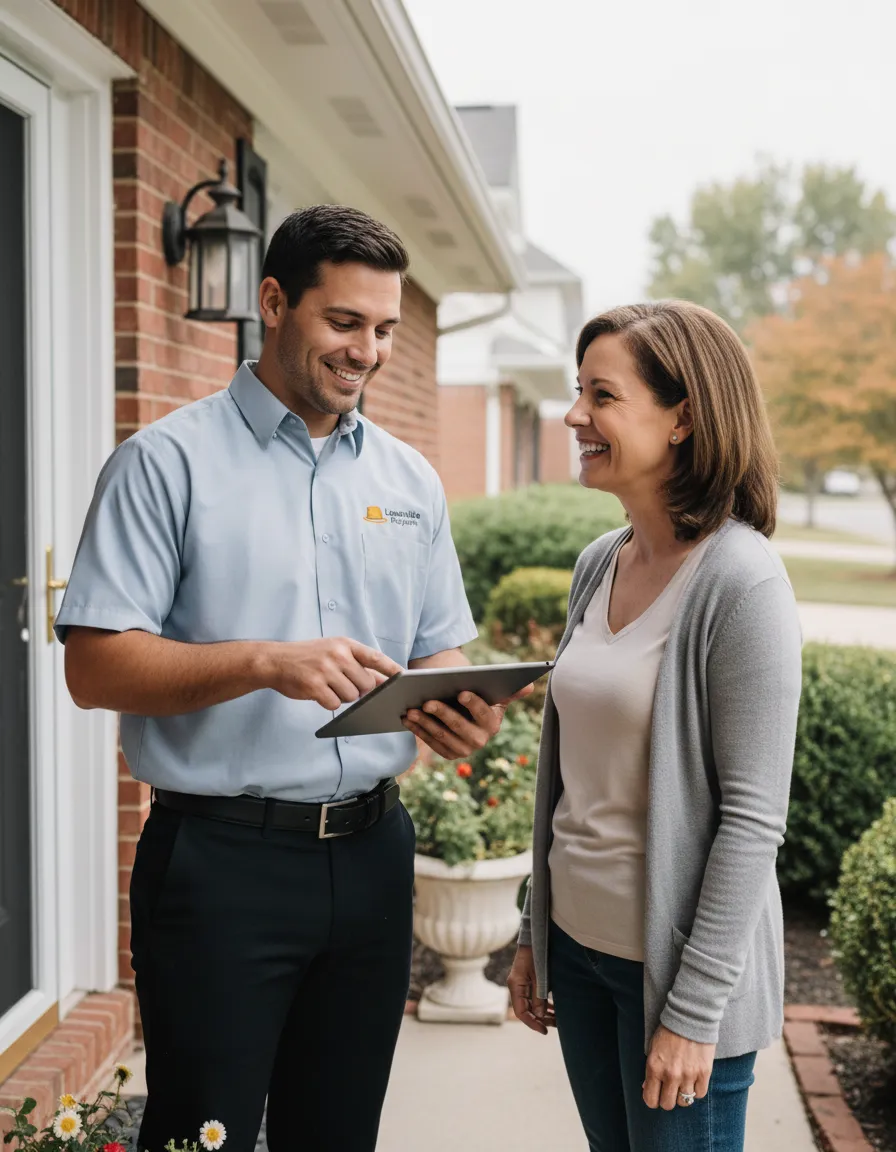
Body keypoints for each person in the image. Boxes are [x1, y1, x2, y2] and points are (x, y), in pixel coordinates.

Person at [57, 205, 519, 1152]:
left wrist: (458, 709)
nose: (368, 352)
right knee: (202, 1133)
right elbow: (94, 665)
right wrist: (267, 661)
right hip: (222, 865)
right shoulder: (163, 465)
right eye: (344, 323)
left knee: (339, 1134)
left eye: (385, 330)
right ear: (273, 303)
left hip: (374, 856)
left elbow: (438, 653)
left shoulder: (411, 480)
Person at [507, 301, 802, 1152]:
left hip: (670, 982)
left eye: (602, 395)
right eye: (576, 391)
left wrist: (694, 1010)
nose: (574, 417)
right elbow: (569, 777)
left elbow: (752, 819)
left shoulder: (740, 583)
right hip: (582, 952)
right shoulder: (599, 562)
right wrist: (537, 929)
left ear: (683, 418)